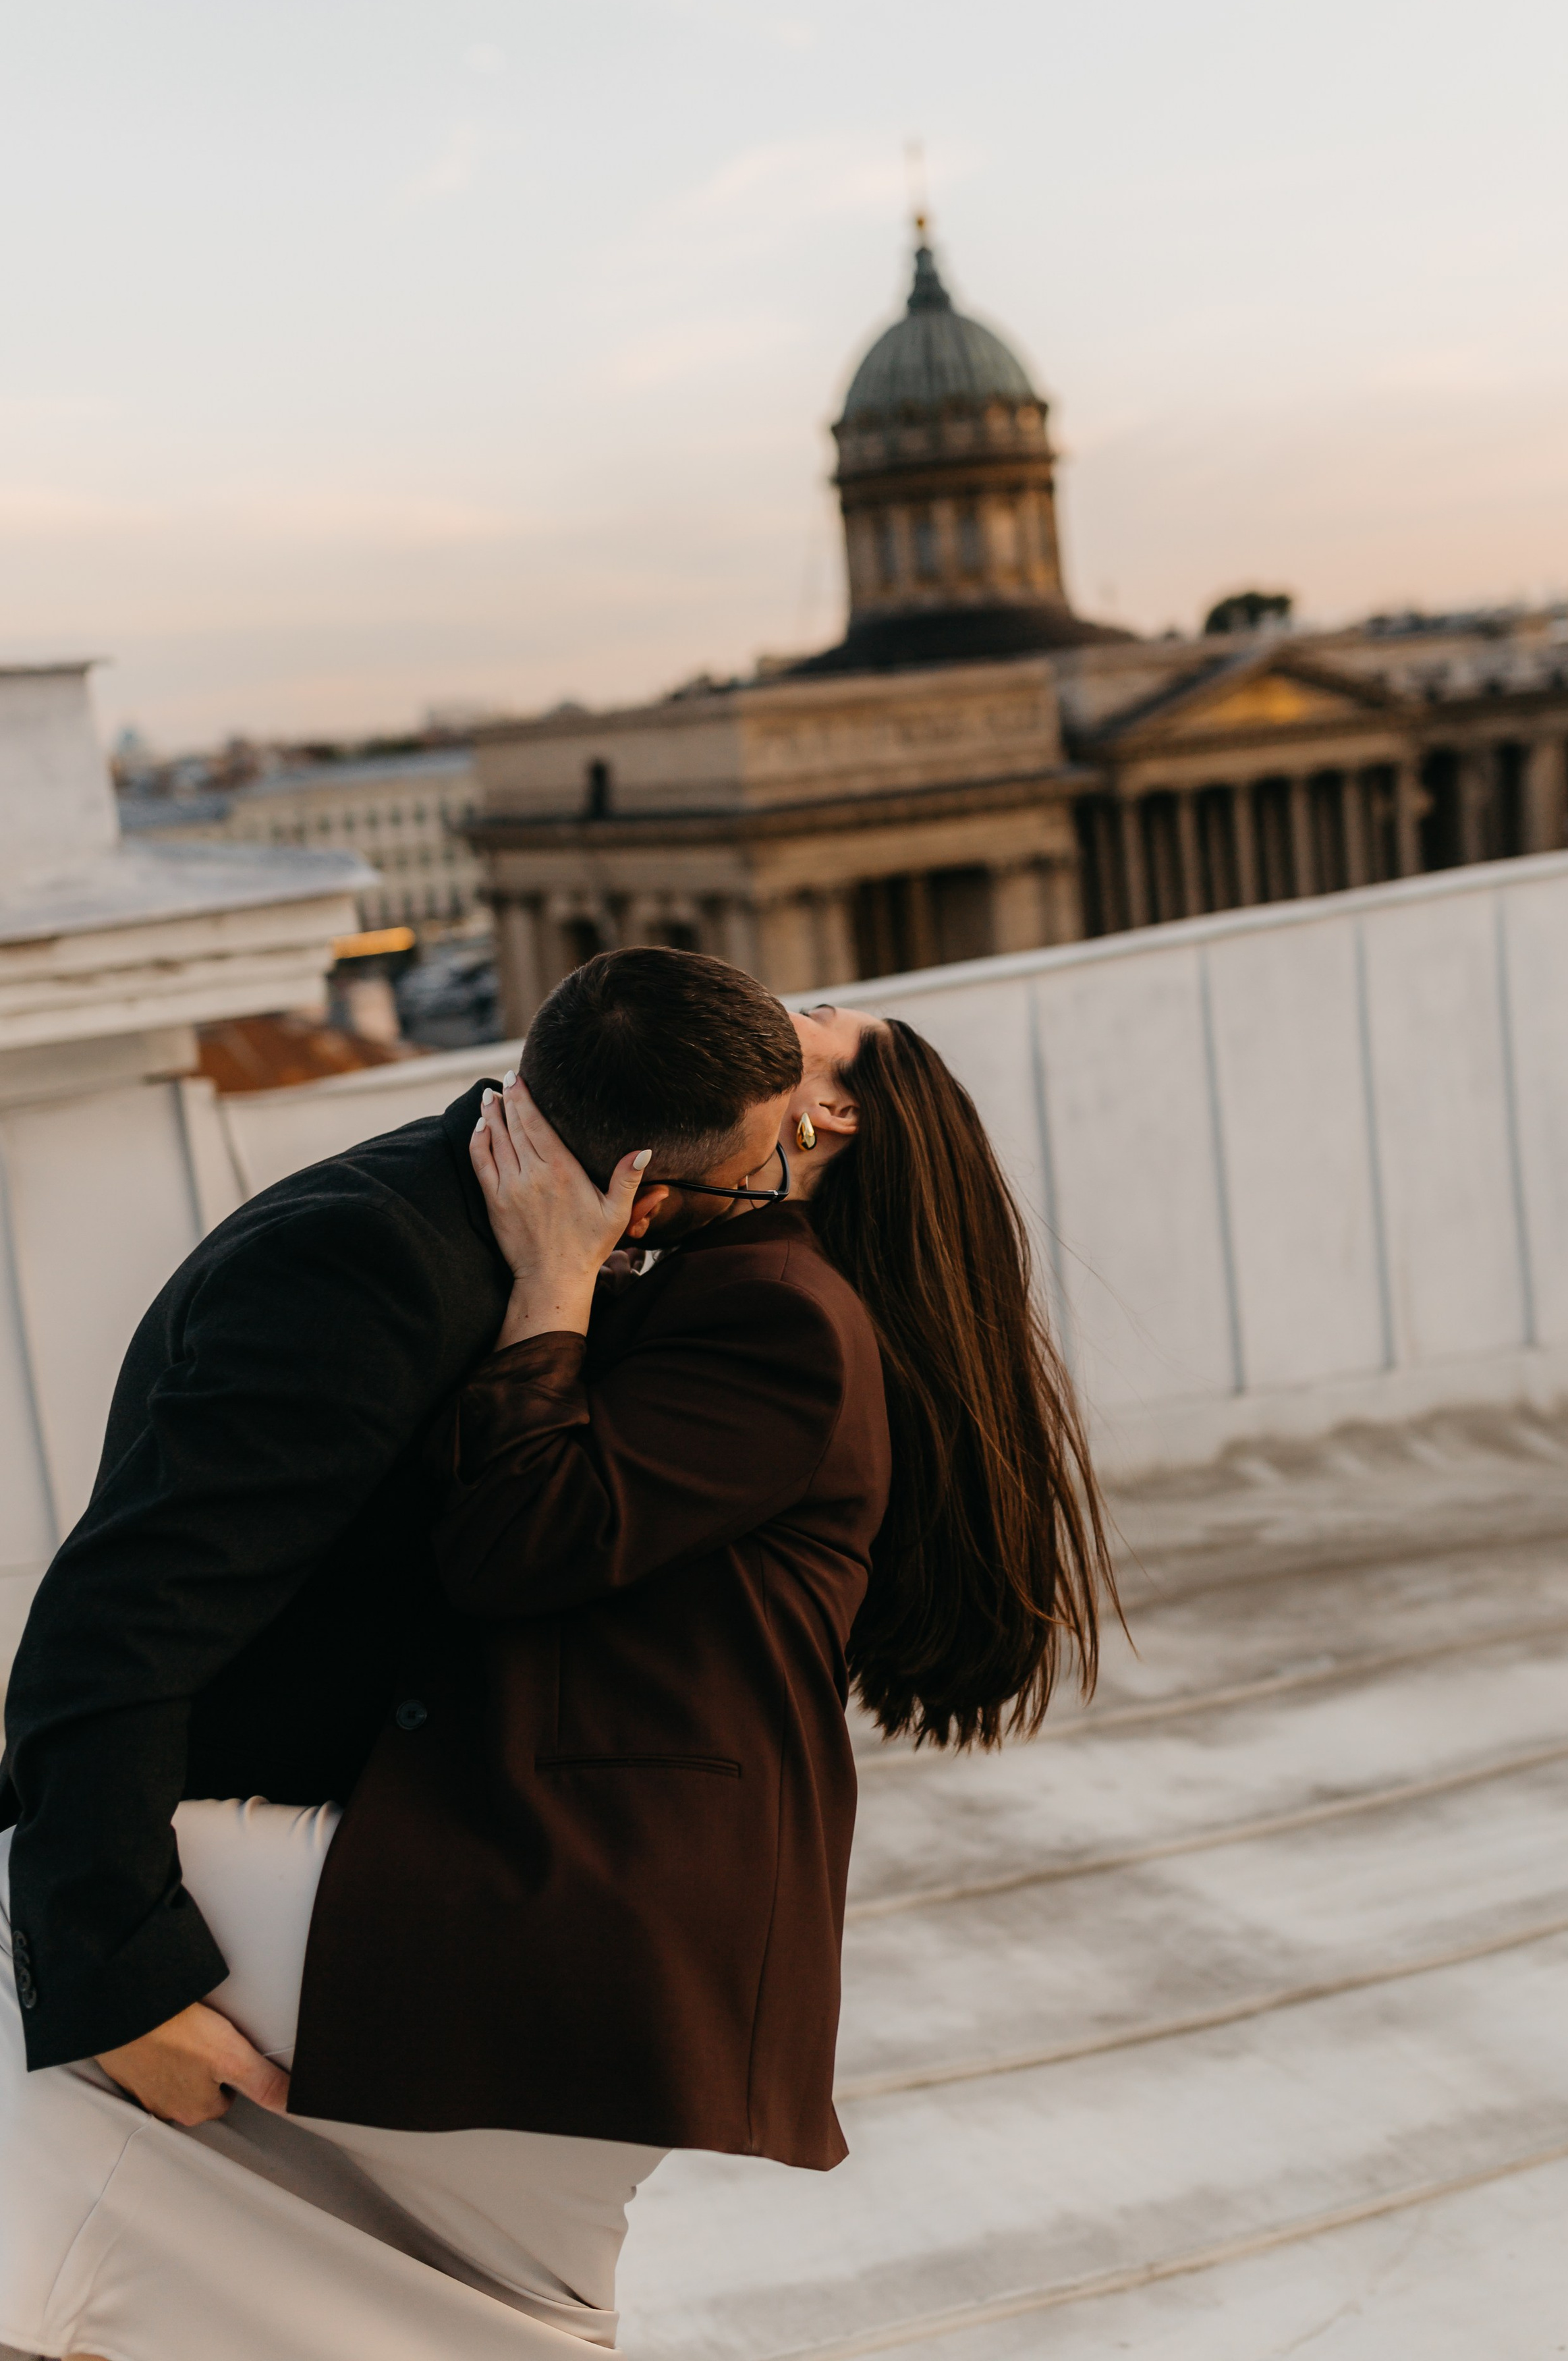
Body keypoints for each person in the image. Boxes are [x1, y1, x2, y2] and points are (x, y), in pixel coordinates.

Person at [0, 966, 1116, 2360]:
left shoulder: (756, 1305)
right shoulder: (653, 1269)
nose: (786, 1000)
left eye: (821, 1015)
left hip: (573, 1919)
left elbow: (498, 1542)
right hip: (580, 1916)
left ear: (817, 1120)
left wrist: (555, 1284)